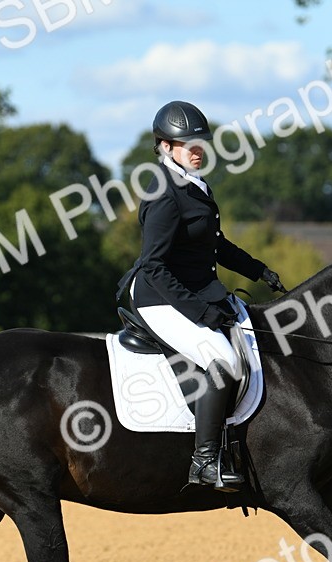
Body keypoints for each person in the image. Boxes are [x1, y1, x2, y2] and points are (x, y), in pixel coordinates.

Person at [119, 100, 286, 491]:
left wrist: (257, 270)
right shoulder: (164, 193)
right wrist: (201, 312)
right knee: (222, 360)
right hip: (159, 297)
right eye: (187, 144)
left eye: (201, 143)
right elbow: (154, 266)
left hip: (192, 289)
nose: (197, 150)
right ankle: (204, 462)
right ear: (165, 146)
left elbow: (214, 243)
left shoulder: (195, 185)